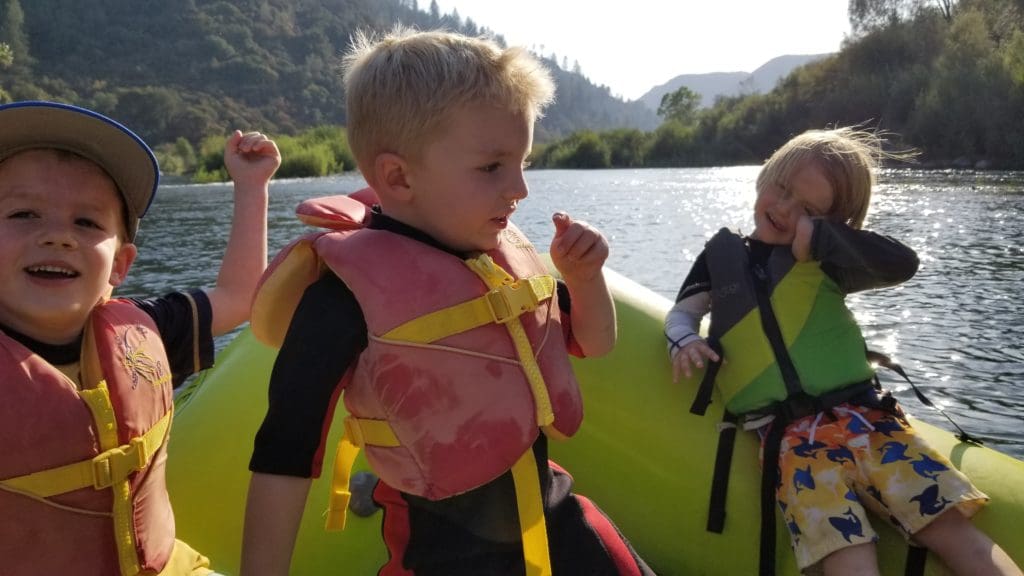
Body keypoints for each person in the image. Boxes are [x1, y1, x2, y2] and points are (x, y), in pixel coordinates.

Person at [240, 27, 652, 576]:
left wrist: (585, 278)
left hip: (554, 520)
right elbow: (285, 452)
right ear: (398, 176)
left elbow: (595, 344)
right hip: (441, 553)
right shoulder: (342, 297)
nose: (520, 190)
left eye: (522, 164)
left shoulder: (498, 261)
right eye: (492, 167)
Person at [664, 127, 1022, 576]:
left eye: (808, 210)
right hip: (793, 441)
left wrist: (823, 238)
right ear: (765, 176)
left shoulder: (827, 260)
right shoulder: (719, 257)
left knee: (950, 529)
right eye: (781, 189)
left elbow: (903, 263)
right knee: (845, 553)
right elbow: (683, 314)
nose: (784, 208)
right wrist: (686, 339)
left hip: (870, 420)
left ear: (829, 222)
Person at [0, 100, 279, 576]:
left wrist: (251, 188)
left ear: (122, 264)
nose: (58, 237)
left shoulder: (143, 331)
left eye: (86, 222)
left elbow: (239, 296)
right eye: (25, 214)